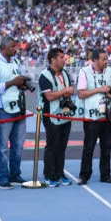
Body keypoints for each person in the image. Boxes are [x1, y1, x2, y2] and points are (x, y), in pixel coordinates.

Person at [76, 48, 111, 185]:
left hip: (107, 115)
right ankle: (84, 175)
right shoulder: (84, 71)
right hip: (91, 117)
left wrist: (110, 93)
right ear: (94, 60)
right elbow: (81, 93)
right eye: (103, 59)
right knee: (89, 147)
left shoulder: (110, 71)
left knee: (107, 146)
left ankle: (105, 174)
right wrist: (100, 90)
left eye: (107, 58)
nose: (106, 61)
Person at [38, 47, 75, 187]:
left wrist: (66, 91)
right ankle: (49, 175)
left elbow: (71, 90)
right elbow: (49, 96)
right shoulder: (44, 75)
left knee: (62, 146)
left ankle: (60, 173)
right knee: (52, 146)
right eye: (61, 57)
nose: (64, 59)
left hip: (65, 114)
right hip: (50, 115)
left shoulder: (65, 73)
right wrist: (64, 91)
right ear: (53, 59)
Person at [0, 36, 28, 189]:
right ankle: (2, 178)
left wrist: (22, 84)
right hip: (3, 110)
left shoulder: (16, 62)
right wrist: (12, 83)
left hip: (19, 107)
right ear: (3, 48)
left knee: (18, 145)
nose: (15, 49)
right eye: (12, 46)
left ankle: (15, 174)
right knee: (3, 147)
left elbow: (18, 80)